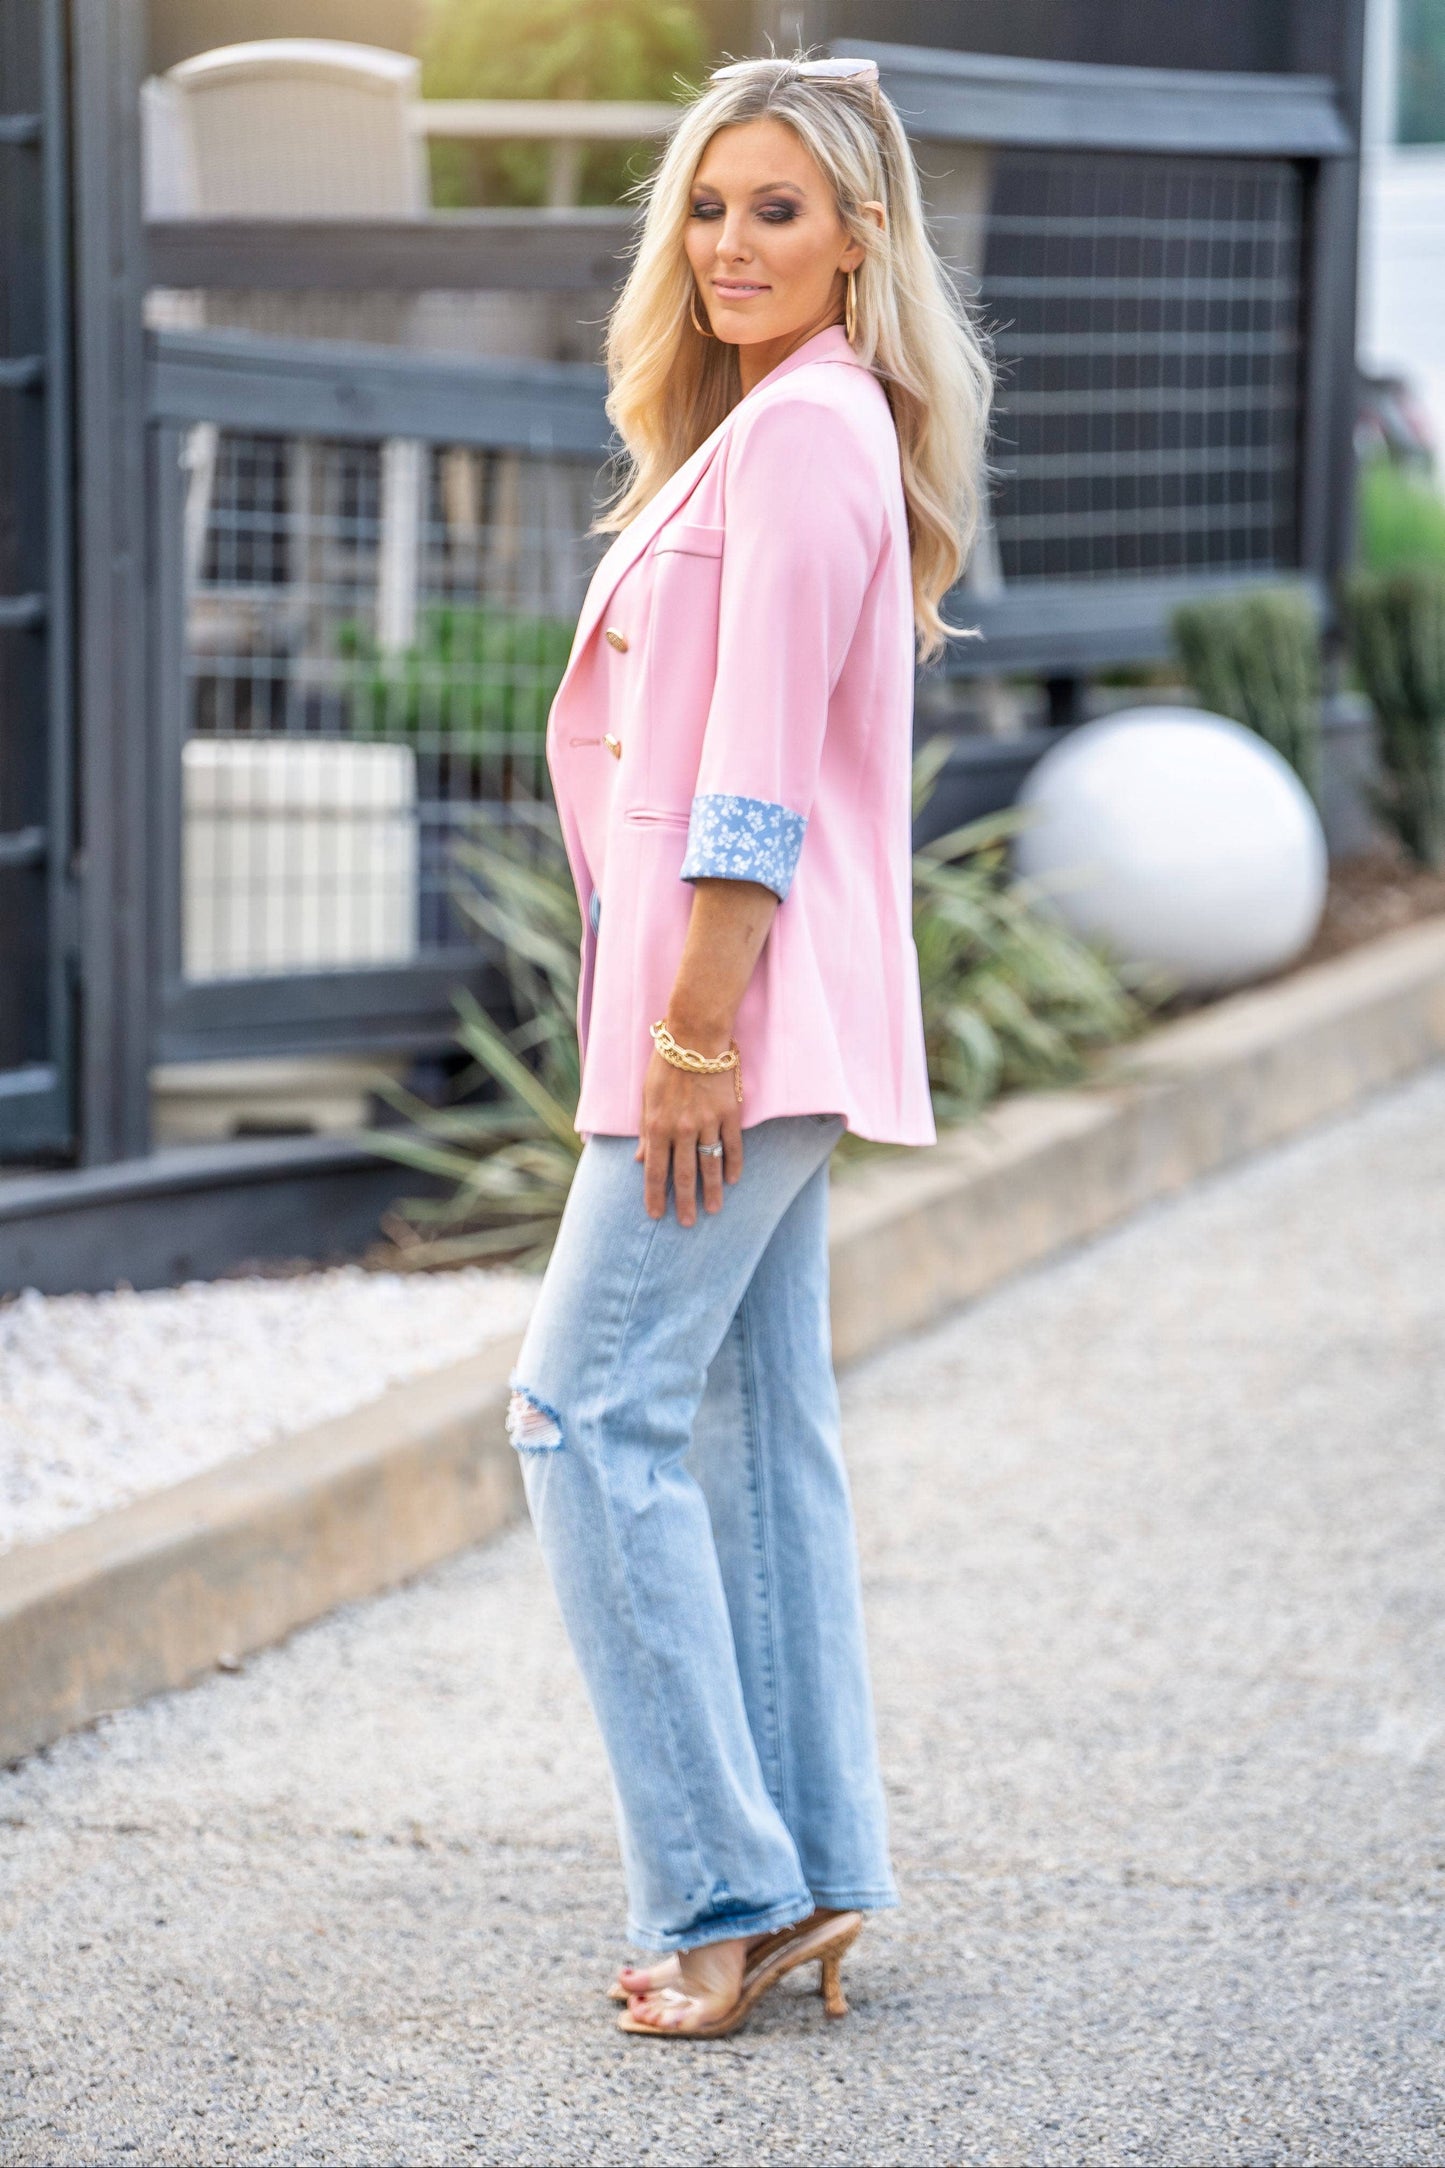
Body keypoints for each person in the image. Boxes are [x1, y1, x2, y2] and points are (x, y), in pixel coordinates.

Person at [505, 51, 993, 2040]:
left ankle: (719, 1883)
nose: (729, 244)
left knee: (579, 1416)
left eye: (775, 209)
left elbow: (753, 770)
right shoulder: (784, 429)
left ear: (859, 236)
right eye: (709, 207)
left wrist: (694, 1030)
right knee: (740, 1430)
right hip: (756, 1015)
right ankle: (811, 1874)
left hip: (733, 1018)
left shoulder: (804, 437)